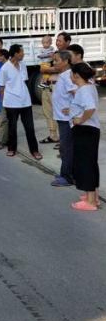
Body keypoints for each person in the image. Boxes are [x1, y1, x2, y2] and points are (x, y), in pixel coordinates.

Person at [66, 63, 101, 211]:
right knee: (90, 163)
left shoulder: (84, 90)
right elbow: (84, 106)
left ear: (76, 75)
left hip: (85, 130)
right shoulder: (88, 86)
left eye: (71, 73)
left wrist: (80, 120)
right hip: (88, 130)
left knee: (85, 164)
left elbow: (90, 107)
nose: (70, 76)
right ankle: (92, 196)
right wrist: (72, 110)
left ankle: (91, 201)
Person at [0, 44, 42, 160]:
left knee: (30, 127)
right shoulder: (4, 68)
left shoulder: (23, 65)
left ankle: (34, 150)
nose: (23, 54)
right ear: (15, 54)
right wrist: (4, 102)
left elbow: (24, 81)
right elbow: (1, 87)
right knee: (12, 127)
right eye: (22, 52)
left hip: (25, 102)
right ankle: (11, 148)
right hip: (11, 103)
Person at [51, 51, 75, 187]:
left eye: (57, 60)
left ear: (66, 61)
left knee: (67, 148)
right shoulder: (63, 75)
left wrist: (74, 109)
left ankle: (68, 177)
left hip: (67, 119)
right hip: (61, 117)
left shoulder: (68, 76)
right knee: (64, 148)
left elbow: (77, 93)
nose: (54, 63)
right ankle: (66, 173)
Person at [38, 35, 59, 145]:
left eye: (60, 40)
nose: (58, 42)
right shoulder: (49, 53)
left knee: (58, 112)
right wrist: (46, 69)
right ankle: (53, 135)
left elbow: (59, 68)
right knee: (47, 112)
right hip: (47, 85)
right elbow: (42, 69)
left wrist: (47, 69)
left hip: (55, 86)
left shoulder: (59, 55)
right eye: (57, 41)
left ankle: (62, 138)